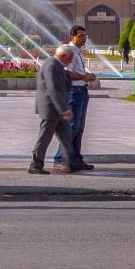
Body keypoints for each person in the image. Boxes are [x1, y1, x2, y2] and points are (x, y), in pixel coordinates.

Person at [52, 25, 97, 172]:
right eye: (81, 36)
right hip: (74, 92)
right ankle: (60, 159)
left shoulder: (78, 52)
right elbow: (66, 73)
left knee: (79, 128)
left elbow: (77, 71)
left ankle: (75, 160)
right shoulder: (68, 51)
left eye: (85, 35)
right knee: (71, 127)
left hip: (82, 91)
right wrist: (84, 77)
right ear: (72, 37)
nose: (84, 38)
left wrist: (87, 76)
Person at [29, 46, 78, 174]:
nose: (71, 61)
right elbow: (53, 89)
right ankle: (35, 165)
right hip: (51, 109)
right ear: (63, 56)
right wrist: (63, 109)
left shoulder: (57, 65)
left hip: (57, 110)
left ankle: (70, 163)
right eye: (70, 58)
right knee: (44, 138)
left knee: (66, 136)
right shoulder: (51, 65)